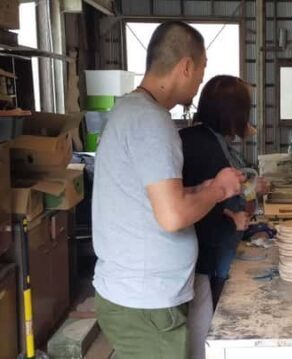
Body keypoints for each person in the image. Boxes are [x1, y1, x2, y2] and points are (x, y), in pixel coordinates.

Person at [92, 22, 244, 359]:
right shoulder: (151, 121)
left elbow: (158, 197)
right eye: (201, 71)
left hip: (139, 296)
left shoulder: (132, 110)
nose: (201, 81)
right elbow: (172, 214)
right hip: (145, 302)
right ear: (186, 66)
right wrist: (218, 189)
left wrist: (203, 188)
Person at [179, 75, 267, 359]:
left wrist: (249, 192)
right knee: (213, 328)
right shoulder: (202, 145)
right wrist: (231, 221)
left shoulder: (206, 138)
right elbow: (201, 205)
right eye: (244, 111)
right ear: (233, 113)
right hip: (209, 257)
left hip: (214, 251)